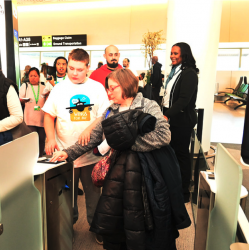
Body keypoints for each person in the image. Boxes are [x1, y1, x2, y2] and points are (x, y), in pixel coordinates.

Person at [50, 69, 171, 247]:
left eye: (112, 88)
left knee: (142, 215)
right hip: (117, 172)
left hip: (145, 174)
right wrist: (68, 152)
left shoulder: (148, 106)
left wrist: (123, 143)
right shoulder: (109, 111)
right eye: (108, 88)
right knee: (118, 214)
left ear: (126, 86)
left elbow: (163, 135)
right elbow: (93, 137)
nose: (108, 92)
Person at [42, 48, 110, 244]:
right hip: (65, 154)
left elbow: (105, 115)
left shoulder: (96, 88)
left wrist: (90, 128)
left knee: (94, 196)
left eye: (79, 69)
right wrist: (49, 138)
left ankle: (96, 227)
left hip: (91, 155)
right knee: (66, 196)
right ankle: (67, 227)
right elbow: (48, 115)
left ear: (87, 67)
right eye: (71, 68)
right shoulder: (59, 88)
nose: (74, 73)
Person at [162, 42, 199, 203]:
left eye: (176, 53)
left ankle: (184, 191)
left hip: (181, 120)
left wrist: (167, 115)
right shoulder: (174, 72)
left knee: (181, 155)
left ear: (184, 55)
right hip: (171, 118)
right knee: (171, 154)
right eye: (171, 53)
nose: (172, 56)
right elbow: (168, 96)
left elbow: (184, 100)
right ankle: (172, 186)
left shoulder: (189, 73)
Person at [19, 67, 46, 157]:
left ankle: (40, 156)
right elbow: (20, 99)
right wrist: (24, 100)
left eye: (35, 75)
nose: (33, 78)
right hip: (29, 118)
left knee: (42, 139)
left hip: (41, 118)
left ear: (39, 77)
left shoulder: (43, 87)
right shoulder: (25, 86)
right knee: (32, 139)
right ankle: (31, 157)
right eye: (31, 76)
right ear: (28, 76)